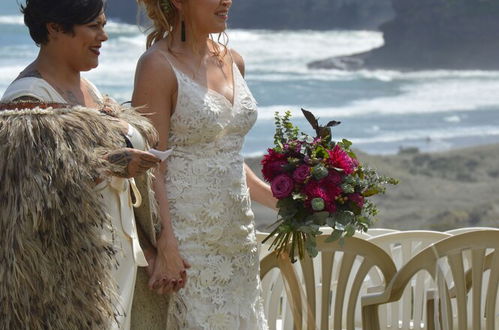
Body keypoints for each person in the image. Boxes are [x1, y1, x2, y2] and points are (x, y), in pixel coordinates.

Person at [1, 0, 163, 329]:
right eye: (93, 26)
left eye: (103, 25)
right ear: (55, 28)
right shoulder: (26, 101)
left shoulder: (88, 89)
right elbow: (29, 202)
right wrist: (110, 166)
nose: (104, 37)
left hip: (113, 260)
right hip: (70, 278)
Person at [132, 0, 277, 328]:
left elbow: (225, 155)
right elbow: (153, 166)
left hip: (237, 239)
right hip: (187, 241)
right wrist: (165, 244)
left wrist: (279, 200)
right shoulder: (157, 65)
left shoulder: (234, 60)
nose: (226, 1)